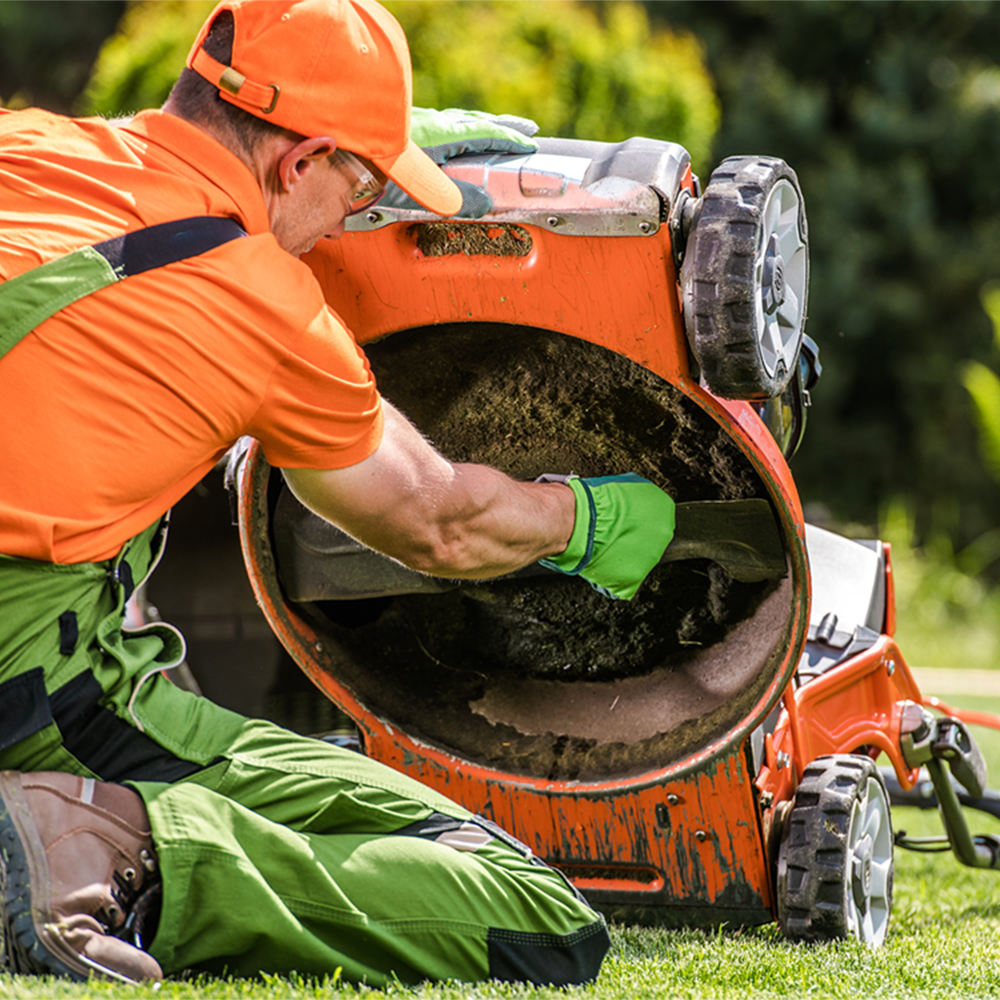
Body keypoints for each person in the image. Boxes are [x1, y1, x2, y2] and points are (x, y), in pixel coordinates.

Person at [0, 0, 676, 986]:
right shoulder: (260, 303)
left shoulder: (24, 143)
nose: (345, 226)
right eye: (359, 190)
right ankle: (94, 848)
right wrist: (589, 520)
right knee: (534, 916)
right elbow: (444, 524)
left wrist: (374, 149)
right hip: (27, 681)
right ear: (301, 159)